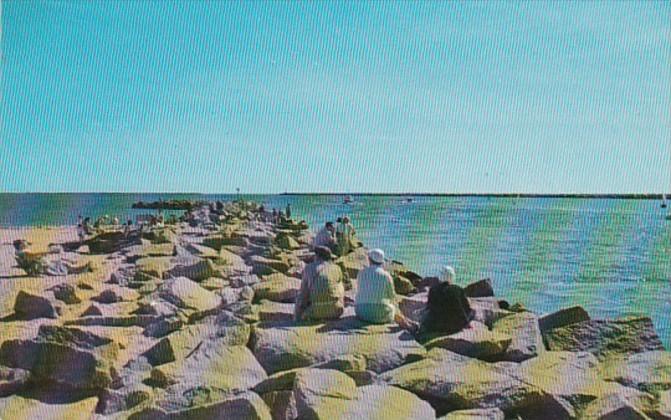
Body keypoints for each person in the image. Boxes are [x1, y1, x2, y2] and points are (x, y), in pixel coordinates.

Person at [354, 249, 418, 331]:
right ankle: (407, 324)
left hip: (361, 312)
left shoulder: (361, 273)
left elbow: (359, 290)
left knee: (390, 307)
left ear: (369, 259)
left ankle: (407, 322)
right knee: (393, 309)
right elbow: (391, 296)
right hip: (381, 316)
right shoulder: (386, 276)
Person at [417, 266, 475, 340]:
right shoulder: (458, 289)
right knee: (473, 312)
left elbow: (430, 307)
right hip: (455, 326)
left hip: (436, 326)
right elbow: (465, 309)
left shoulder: (433, 289)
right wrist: (467, 323)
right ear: (452, 277)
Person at [294, 246, 345, 322]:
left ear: (316, 256)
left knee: (304, 289)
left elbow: (303, 294)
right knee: (339, 284)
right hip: (336, 310)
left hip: (314, 312)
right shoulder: (337, 268)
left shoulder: (308, 268)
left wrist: (297, 315)